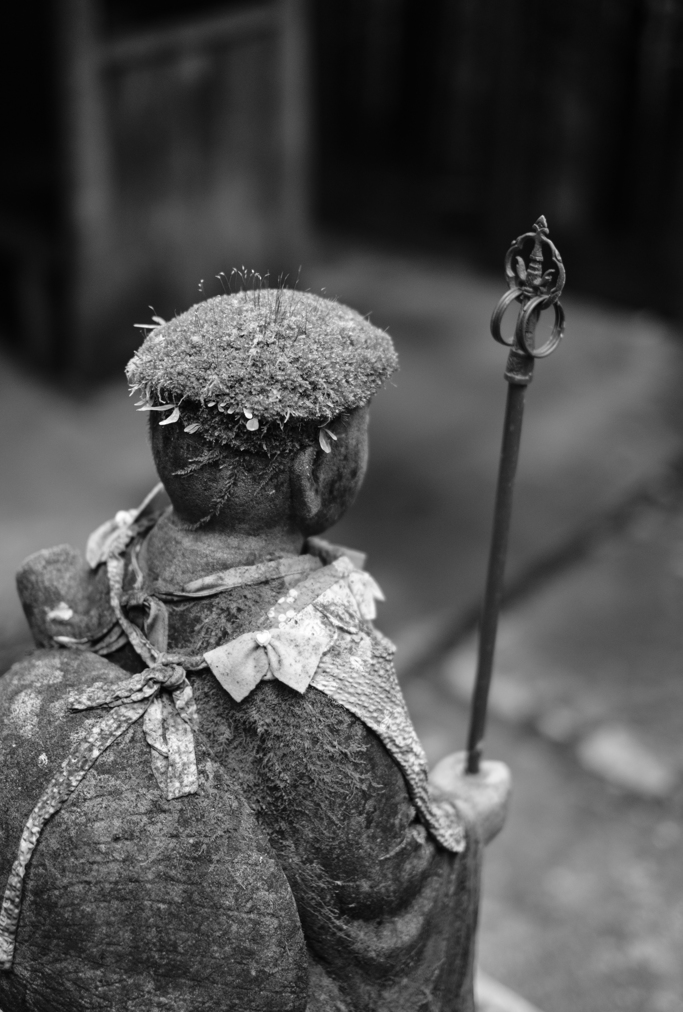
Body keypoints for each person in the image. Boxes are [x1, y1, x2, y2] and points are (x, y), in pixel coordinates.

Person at [0, 287, 510, 1011]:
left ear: (166, 447)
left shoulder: (114, 566)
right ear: (315, 471)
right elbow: (380, 912)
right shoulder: (309, 674)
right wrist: (466, 817)